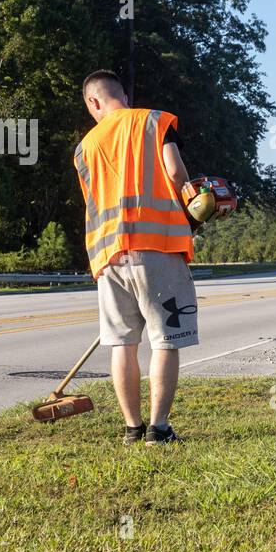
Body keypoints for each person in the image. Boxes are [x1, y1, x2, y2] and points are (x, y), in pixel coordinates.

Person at [74, 69, 198, 445]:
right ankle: (159, 429)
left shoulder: (84, 148)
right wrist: (196, 209)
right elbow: (175, 171)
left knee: (122, 343)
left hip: (108, 256)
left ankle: (132, 428)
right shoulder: (154, 122)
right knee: (165, 339)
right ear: (122, 95)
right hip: (157, 246)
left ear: (93, 102)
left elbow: (94, 203)